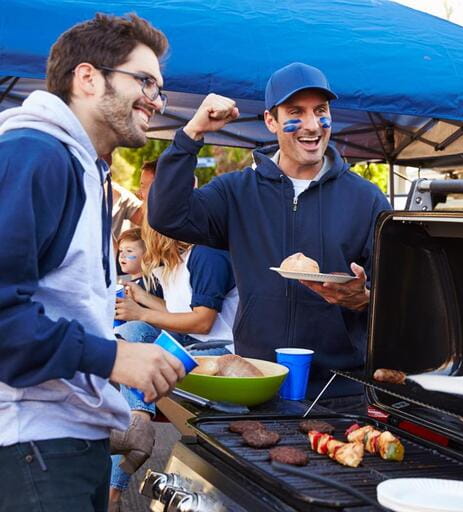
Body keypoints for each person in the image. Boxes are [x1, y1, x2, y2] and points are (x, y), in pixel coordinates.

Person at [0, 14, 185, 512]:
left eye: (160, 89)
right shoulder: (35, 155)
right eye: (144, 81)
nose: (155, 99)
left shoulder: (87, 169)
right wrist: (115, 358)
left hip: (67, 442)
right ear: (87, 78)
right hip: (31, 448)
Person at [148, 62, 391, 402]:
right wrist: (192, 135)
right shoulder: (236, 192)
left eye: (320, 111)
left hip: (339, 390)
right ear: (270, 121)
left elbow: (400, 297)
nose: (311, 125)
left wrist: (365, 299)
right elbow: (166, 216)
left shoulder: (367, 198)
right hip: (255, 380)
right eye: (296, 112)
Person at [110, 219, 237, 506]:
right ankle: (136, 426)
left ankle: (138, 425)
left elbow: (203, 322)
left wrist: (140, 313)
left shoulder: (206, 254)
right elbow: (176, 311)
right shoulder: (174, 265)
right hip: (193, 346)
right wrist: (141, 299)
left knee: (134, 333)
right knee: (131, 335)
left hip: (220, 352)